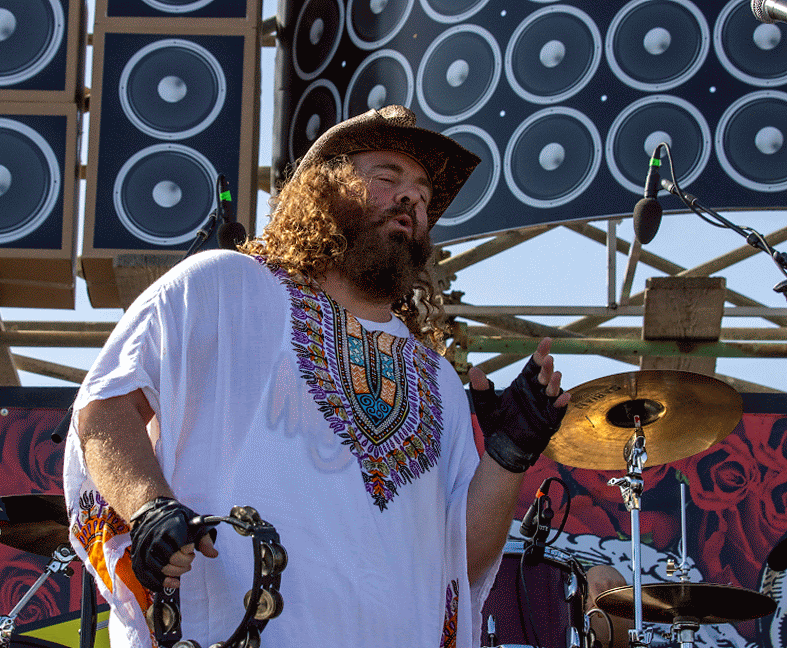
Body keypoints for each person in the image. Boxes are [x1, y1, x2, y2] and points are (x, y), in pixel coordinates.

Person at [64, 105, 570, 648]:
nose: (410, 200)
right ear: (324, 190)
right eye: (387, 178)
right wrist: (149, 507)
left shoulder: (440, 380)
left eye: (423, 196)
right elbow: (105, 408)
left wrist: (509, 455)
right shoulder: (225, 286)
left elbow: (460, 561)